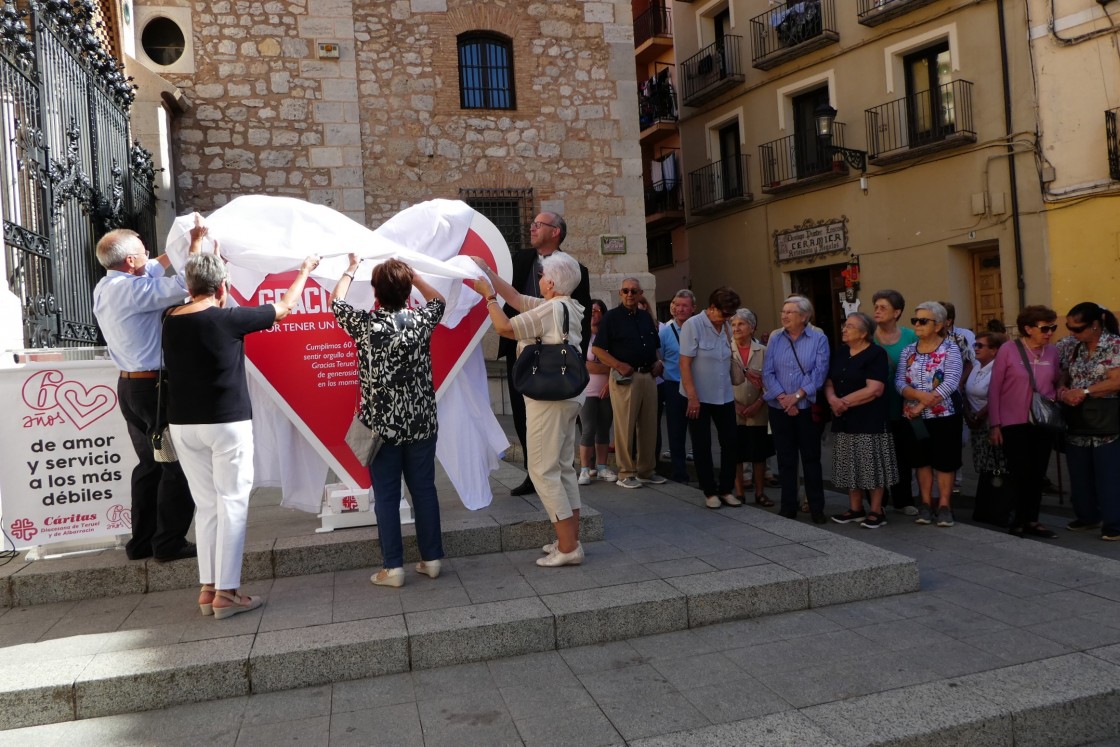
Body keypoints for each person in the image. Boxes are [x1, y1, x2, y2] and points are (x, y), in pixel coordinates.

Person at [164, 251, 319, 618]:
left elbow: (200, 298)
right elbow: (284, 308)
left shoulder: (168, 319)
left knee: (207, 507)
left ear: (188, 286)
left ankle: (208, 588)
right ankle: (228, 594)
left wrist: (207, 259)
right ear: (222, 287)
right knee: (232, 502)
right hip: (225, 423)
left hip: (183, 425)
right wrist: (303, 271)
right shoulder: (227, 319)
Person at [93, 218, 206, 562]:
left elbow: (158, 264)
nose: (148, 254)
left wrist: (180, 243)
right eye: (141, 250)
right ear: (129, 261)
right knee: (176, 464)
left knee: (150, 465)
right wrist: (197, 245)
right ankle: (168, 542)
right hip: (153, 390)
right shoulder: (132, 290)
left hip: (132, 388)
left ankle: (141, 542)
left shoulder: (109, 285)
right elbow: (188, 282)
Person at [332, 256, 446, 587]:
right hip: (421, 422)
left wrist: (351, 268)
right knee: (424, 489)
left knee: (386, 495)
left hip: (381, 428)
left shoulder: (366, 324)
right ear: (407, 290)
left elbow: (335, 301)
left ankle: (393, 567)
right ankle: (432, 558)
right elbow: (439, 301)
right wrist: (416, 277)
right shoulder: (419, 321)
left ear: (375, 292)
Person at [473, 252, 588, 566]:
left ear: (550, 282)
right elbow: (515, 297)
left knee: (541, 469)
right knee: (563, 467)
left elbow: (504, 326)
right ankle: (570, 540)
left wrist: (488, 298)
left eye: (542, 276)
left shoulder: (550, 309)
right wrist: (488, 272)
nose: (539, 281)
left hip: (547, 399)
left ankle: (568, 548)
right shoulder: (568, 306)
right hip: (569, 394)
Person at [498, 212, 591, 498]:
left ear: (556, 232)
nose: (532, 227)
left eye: (539, 225)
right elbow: (512, 297)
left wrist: (577, 362)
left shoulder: (575, 271)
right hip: (523, 350)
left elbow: (582, 324)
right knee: (521, 414)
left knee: (553, 418)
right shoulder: (520, 259)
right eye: (532, 223)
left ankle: (551, 474)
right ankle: (533, 472)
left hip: (554, 356)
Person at [988, 306, 1062, 538]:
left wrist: (1060, 393)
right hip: (1013, 421)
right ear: (1028, 328)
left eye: (1053, 327)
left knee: (1038, 473)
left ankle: (1032, 520)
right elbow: (995, 388)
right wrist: (995, 424)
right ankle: (1017, 519)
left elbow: (1057, 382)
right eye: (1045, 328)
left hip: (1042, 422)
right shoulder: (1008, 350)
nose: (1050, 332)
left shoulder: (1053, 352)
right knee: (1020, 471)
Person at [826, 312, 897, 529]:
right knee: (849, 464)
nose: (844, 329)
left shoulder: (876, 354)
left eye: (850, 326)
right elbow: (829, 381)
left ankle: (876, 510)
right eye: (844, 325)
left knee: (871, 464)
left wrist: (842, 402)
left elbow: (875, 389)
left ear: (864, 332)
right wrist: (832, 399)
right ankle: (855, 508)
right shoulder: (841, 352)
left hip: (870, 419)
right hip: (844, 418)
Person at [593, 278, 666, 490]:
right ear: (620, 293)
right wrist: (617, 364)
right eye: (625, 290)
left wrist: (658, 362)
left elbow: (655, 346)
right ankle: (626, 472)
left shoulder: (645, 317)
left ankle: (646, 471)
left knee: (649, 425)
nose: (629, 294)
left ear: (640, 293)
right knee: (625, 426)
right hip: (626, 379)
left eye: (634, 291)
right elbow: (598, 349)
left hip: (648, 376)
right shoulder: (612, 318)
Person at [762, 296, 830, 522]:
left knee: (811, 458)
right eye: (783, 311)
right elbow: (767, 372)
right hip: (779, 407)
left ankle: (817, 508)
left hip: (806, 408)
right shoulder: (775, 338)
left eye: (790, 312)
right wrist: (783, 398)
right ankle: (788, 506)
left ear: (804, 316)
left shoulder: (819, 339)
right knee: (786, 458)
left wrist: (796, 397)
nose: (784, 315)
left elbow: (818, 375)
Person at [896, 301, 963, 527]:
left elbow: (951, 382)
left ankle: (944, 505)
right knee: (921, 461)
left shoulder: (950, 349)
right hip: (914, 417)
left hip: (943, 415)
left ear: (939, 325)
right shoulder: (908, 350)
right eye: (915, 320)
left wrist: (922, 403)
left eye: (923, 320)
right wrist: (916, 395)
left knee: (945, 461)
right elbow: (898, 381)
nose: (917, 324)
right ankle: (925, 504)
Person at [1057, 302, 1120, 540]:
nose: (1072, 333)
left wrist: (1083, 392)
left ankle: (1114, 523)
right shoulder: (1074, 347)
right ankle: (1087, 516)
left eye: (1077, 328)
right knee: (1079, 473)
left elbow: (1116, 381)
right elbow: (1064, 372)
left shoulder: (1114, 345)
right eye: (1069, 327)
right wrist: (1063, 389)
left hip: (1106, 420)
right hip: (1078, 420)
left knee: (1109, 475)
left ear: (1095, 325)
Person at [680, 287, 743, 509]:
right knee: (702, 444)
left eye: (731, 314)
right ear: (712, 308)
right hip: (699, 395)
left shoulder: (725, 326)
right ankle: (709, 491)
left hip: (723, 393)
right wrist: (692, 396)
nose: (728, 318)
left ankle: (726, 489)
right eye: (725, 313)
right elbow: (685, 364)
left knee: (730, 442)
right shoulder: (693, 325)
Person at [871, 289, 918, 516]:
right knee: (877, 453)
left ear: (897, 312)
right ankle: (878, 500)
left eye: (883, 307)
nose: (877, 311)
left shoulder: (911, 337)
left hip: (903, 404)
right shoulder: (867, 336)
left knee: (902, 453)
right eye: (876, 307)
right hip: (874, 404)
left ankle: (903, 499)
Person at [963, 331, 1010, 527]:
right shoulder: (975, 366)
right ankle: (983, 509)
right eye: (975, 345)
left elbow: (997, 396)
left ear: (994, 350)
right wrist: (968, 414)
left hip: (992, 424)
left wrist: (980, 415)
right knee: (984, 466)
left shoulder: (998, 369)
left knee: (996, 467)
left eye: (981, 346)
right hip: (976, 424)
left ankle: (997, 511)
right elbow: (964, 390)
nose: (976, 349)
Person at [730, 308, 775, 507]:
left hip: (759, 409)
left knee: (759, 453)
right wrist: (736, 405)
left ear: (752, 328)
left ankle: (760, 493)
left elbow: (770, 382)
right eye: (733, 325)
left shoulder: (764, 351)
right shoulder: (725, 350)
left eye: (741, 324)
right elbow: (720, 382)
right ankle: (739, 493)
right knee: (736, 452)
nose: (736, 328)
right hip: (733, 409)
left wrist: (758, 403)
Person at [575, 299, 617, 486]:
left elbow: (617, 364)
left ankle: (601, 467)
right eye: (590, 310)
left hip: (608, 390)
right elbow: (583, 364)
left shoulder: (610, 337)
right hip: (587, 390)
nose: (594, 314)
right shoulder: (582, 338)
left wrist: (609, 377)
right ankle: (585, 469)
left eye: (597, 310)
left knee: (603, 431)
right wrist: (607, 367)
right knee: (588, 430)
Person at [659, 290, 696, 483]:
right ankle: (679, 473)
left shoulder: (698, 329)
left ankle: (701, 469)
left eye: (684, 305)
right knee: (675, 431)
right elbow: (661, 358)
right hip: (673, 386)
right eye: (677, 305)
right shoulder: (665, 332)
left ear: (693, 309)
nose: (680, 309)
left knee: (698, 430)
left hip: (697, 386)